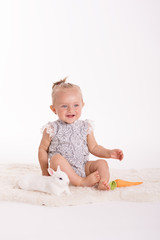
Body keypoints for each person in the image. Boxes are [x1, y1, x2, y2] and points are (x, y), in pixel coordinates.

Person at [38, 78, 124, 190]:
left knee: (102, 163)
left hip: (84, 166)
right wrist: (45, 171)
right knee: (56, 159)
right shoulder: (51, 128)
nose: (70, 110)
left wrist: (109, 153)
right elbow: (43, 149)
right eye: (64, 106)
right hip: (62, 172)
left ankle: (103, 182)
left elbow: (94, 147)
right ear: (54, 109)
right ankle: (81, 182)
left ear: (82, 105)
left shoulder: (86, 126)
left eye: (76, 105)